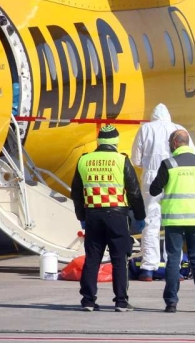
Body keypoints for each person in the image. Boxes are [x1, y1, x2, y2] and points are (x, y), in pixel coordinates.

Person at [71, 125, 146, 312]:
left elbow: (76, 192)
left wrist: (82, 216)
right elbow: (134, 191)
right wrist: (140, 216)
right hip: (117, 215)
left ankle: (88, 300)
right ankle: (121, 301)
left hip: (93, 214)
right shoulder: (121, 160)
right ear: (115, 141)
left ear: (99, 141)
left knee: (92, 258)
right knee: (119, 259)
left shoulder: (84, 160)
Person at [149, 130, 195, 313]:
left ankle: (171, 302)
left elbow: (154, 190)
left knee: (173, 259)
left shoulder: (169, 164)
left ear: (175, 144)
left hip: (174, 220)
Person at [131, 103, 195, 282]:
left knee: (150, 222)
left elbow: (136, 159)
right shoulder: (179, 129)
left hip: (151, 177)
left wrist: (149, 165)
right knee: (173, 224)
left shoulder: (145, 129)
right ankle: (173, 268)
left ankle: (148, 268)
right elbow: (191, 155)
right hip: (175, 176)